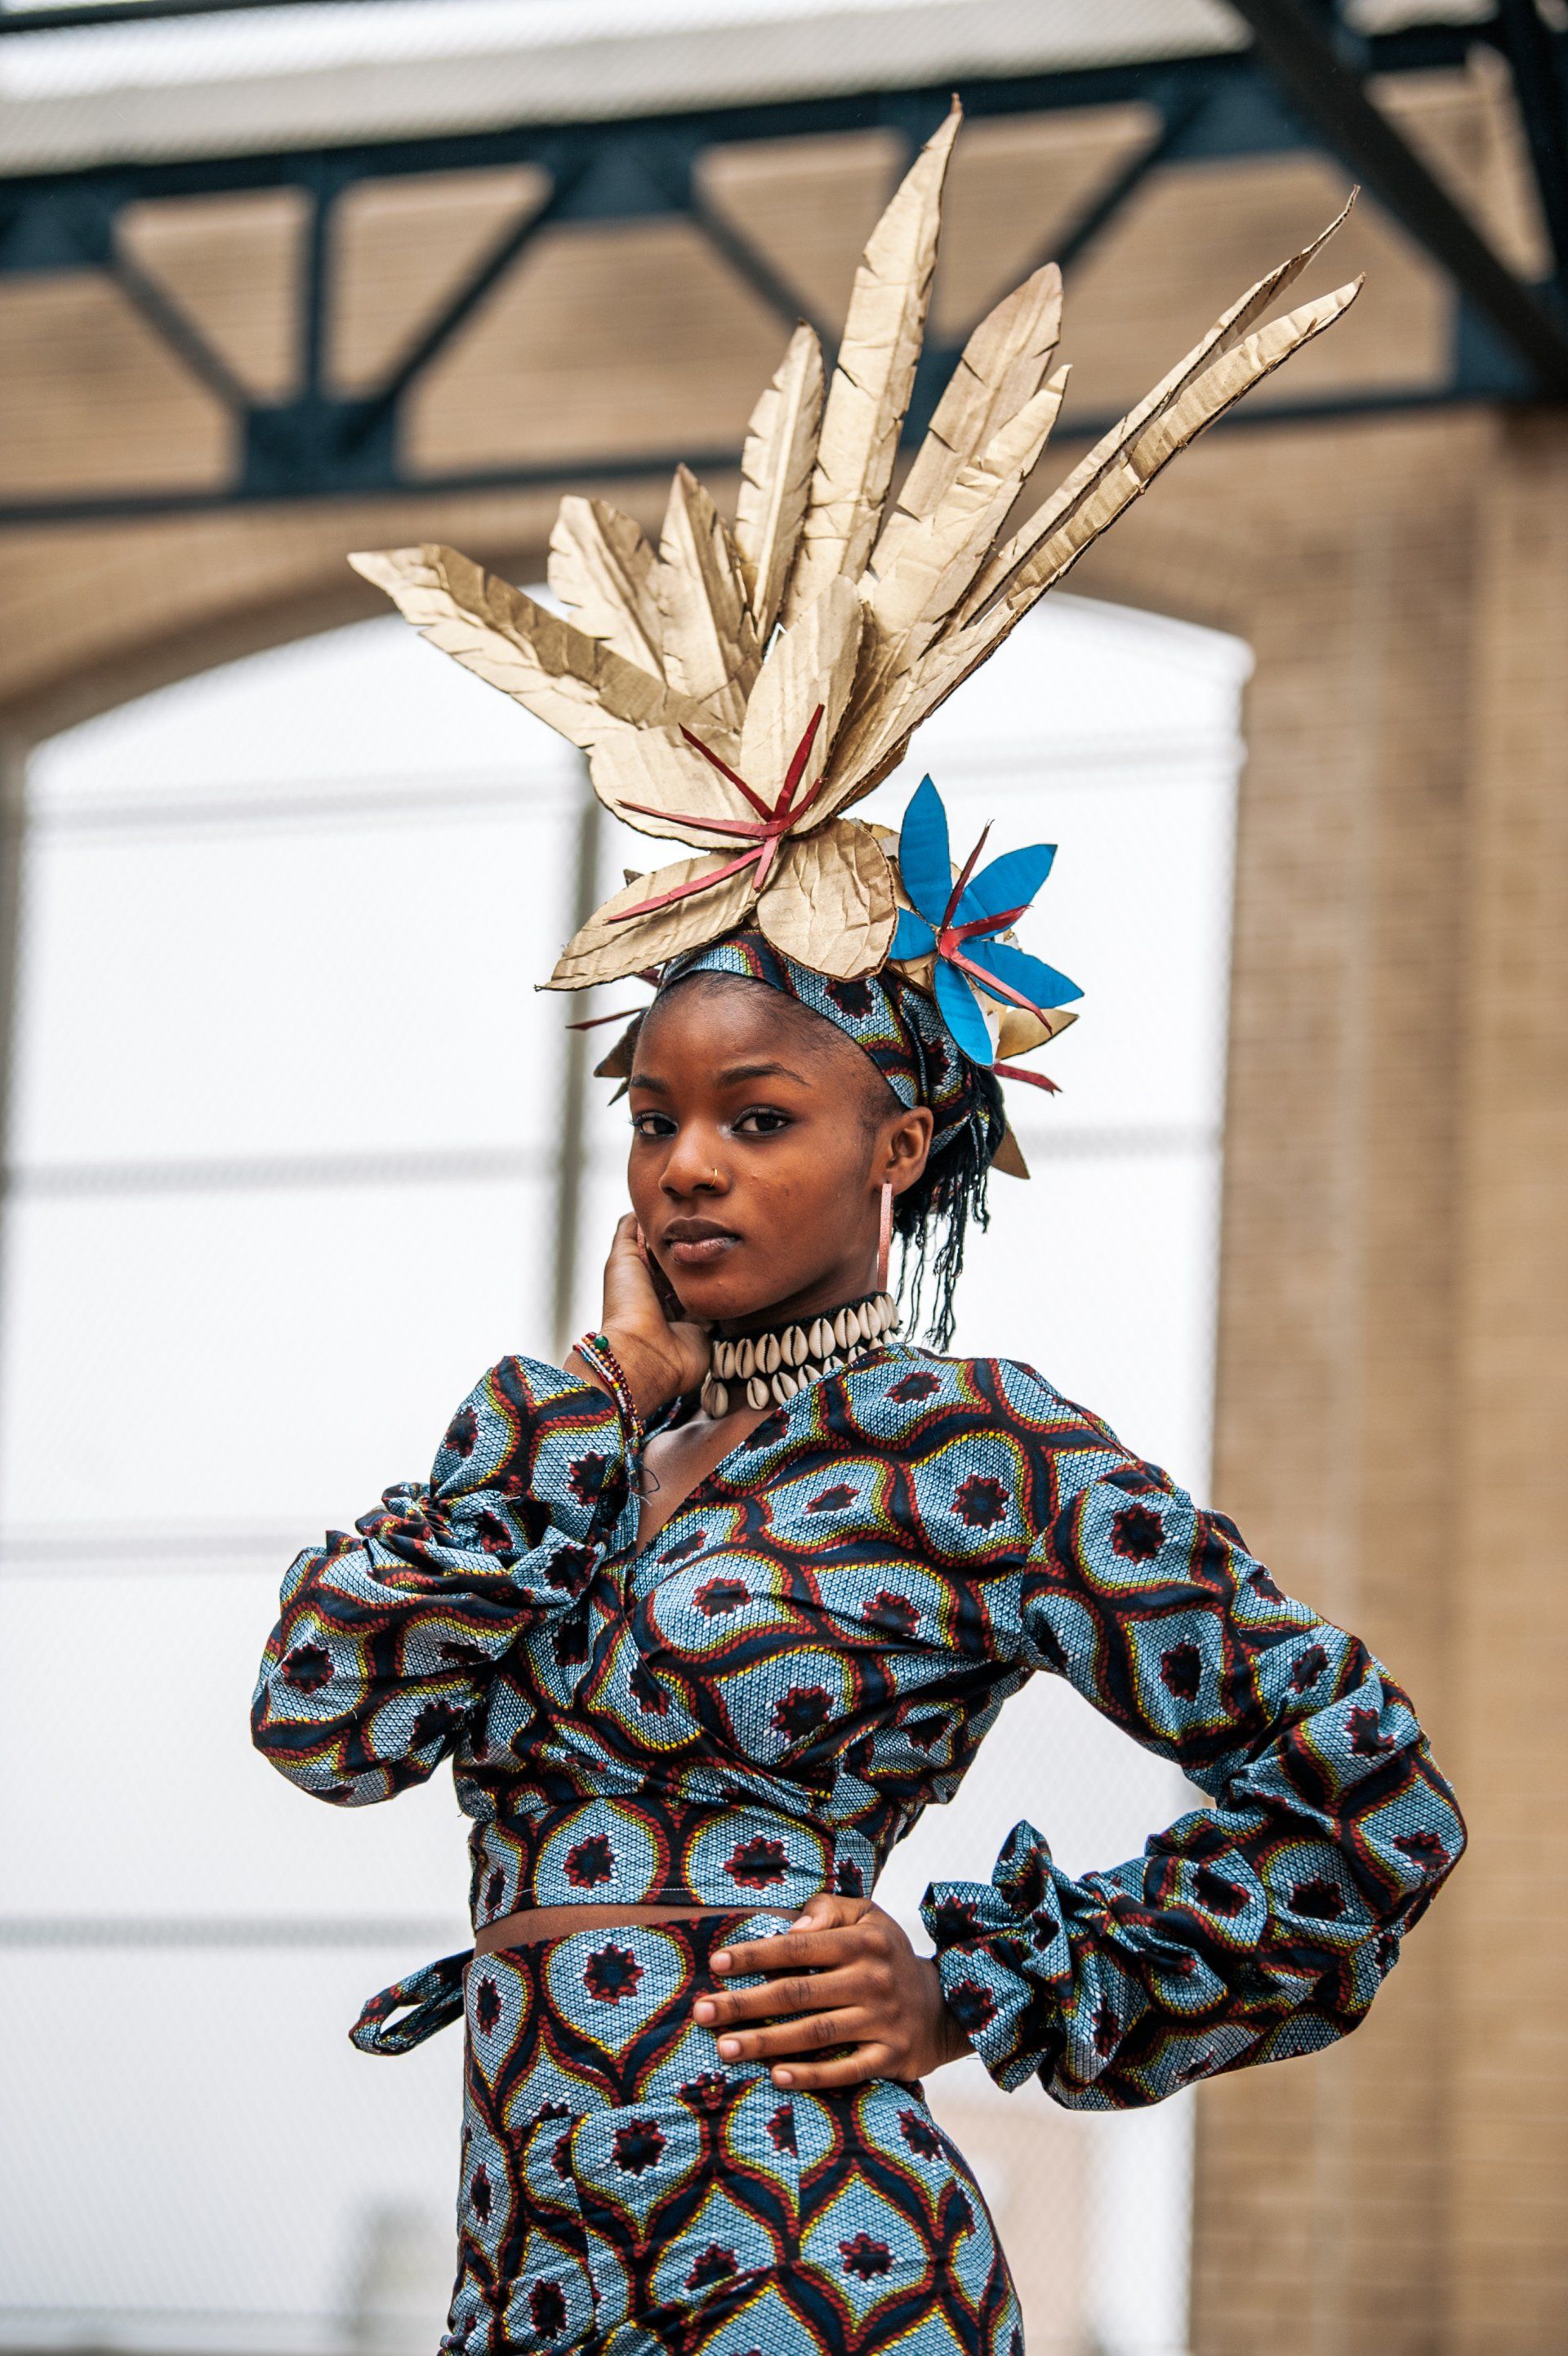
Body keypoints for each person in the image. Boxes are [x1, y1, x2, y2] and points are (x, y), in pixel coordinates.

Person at [252, 112, 1462, 2356]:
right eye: (657, 1117)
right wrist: (579, 1410)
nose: (687, 1166)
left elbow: (1365, 1797)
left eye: (760, 1116)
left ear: (901, 1145)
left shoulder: (977, 1454)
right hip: (529, 2281)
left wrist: (976, 1984)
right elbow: (324, 1721)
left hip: (813, 2269)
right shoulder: (550, 1447)